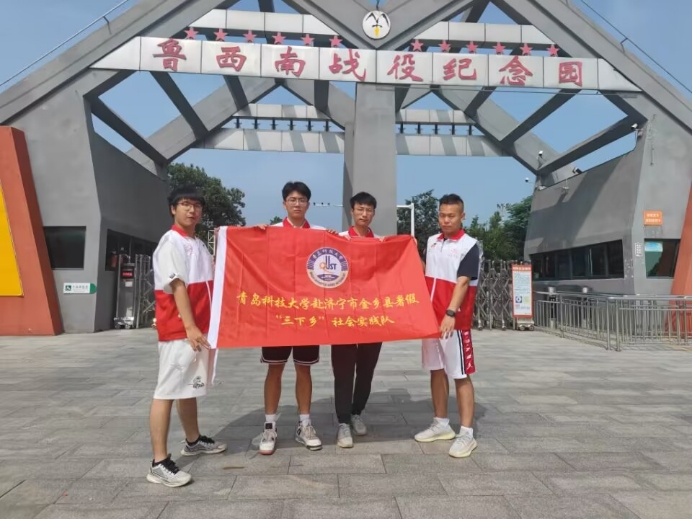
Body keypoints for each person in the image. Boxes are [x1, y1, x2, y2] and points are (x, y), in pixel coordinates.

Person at [147, 185, 227, 487]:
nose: (192, 210)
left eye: (196, 205)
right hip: (180, 329)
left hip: (199, 328)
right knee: (166, 391)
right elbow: (178, 285)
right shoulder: (171, 242)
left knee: (187, 387)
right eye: (185, 204)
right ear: (173, 209)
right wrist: (190, 327)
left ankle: (193, 440)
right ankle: (159, 462)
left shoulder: (196, 243)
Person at [256, 181, 327, 455]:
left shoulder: (320, 234)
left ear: (309, 204)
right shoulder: (271, 232)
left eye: (302, 199)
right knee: (274, 369)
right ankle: (269, 427)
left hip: (308, 314)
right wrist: (250, 236)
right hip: (278, 313)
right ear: (284, 203)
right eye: (292, 199)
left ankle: (304, 425)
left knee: (303, 369)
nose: (297, 204)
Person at [415, 193, 481, 458]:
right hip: (430, 319)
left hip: (454, 321)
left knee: (460, 373)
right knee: (436, 370)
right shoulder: (432, 241)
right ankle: (441, 423)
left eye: (451, 216)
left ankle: (466, 433)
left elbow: (463, 282)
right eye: (442, 215)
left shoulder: (470, 245)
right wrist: (409, 250)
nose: (446, 220)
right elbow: (425, 271)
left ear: (462, 216)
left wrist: (451, 313)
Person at [332, 192, 384, 449]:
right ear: (352, 211)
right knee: (343, 371)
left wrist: (410, 245)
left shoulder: (381, 243)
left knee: (366, 369)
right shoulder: (339, 239)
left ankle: (356, 412)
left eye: (369, 210)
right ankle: (343, 422)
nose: (364, 214)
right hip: (343, 316)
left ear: (373, 213)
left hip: (372, 316)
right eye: (360, 209)